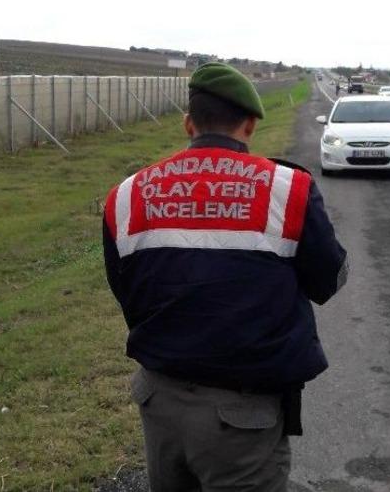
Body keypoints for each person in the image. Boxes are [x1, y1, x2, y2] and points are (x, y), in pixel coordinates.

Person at [102, 62, 348, 491]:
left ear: (187, 124)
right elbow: (329, 280)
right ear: (250, 125)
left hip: (158, 401)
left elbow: (127, 293)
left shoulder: (126, 194)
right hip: (244, 416)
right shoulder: (288, 190)